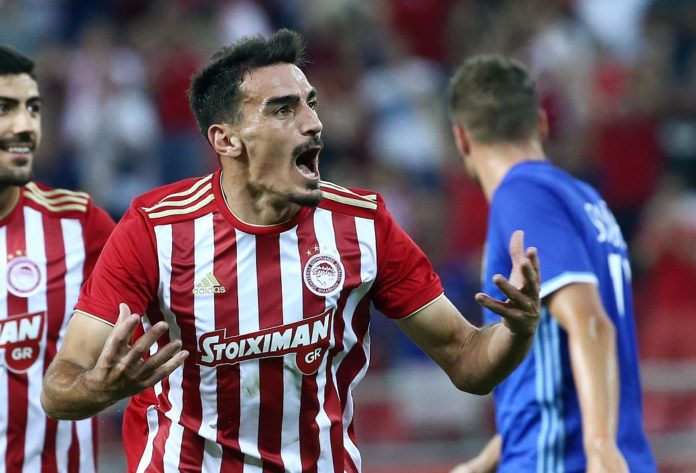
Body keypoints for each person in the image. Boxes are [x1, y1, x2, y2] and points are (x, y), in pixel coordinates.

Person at [41, 30, 541, 472]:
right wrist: (97, 389)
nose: (314, 123)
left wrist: (516, 333)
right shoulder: (156, 230)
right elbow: (59, 386)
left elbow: (466, 360)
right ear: (227, 140)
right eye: (283, 109)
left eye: (311, 103)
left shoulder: (362, 225)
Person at [447, 55, 656, 473]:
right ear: (541, 124)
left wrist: (600, 448)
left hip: (562, 461)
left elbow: (590, 322)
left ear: (462, 138)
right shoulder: (585, 198)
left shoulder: (522, 195)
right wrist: (485, 461)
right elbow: (555, 373)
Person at [0, 45, 115, 472]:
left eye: (32, 109)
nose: (25, 126)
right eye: (4, 108)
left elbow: (164, 327)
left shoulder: (79, 225)